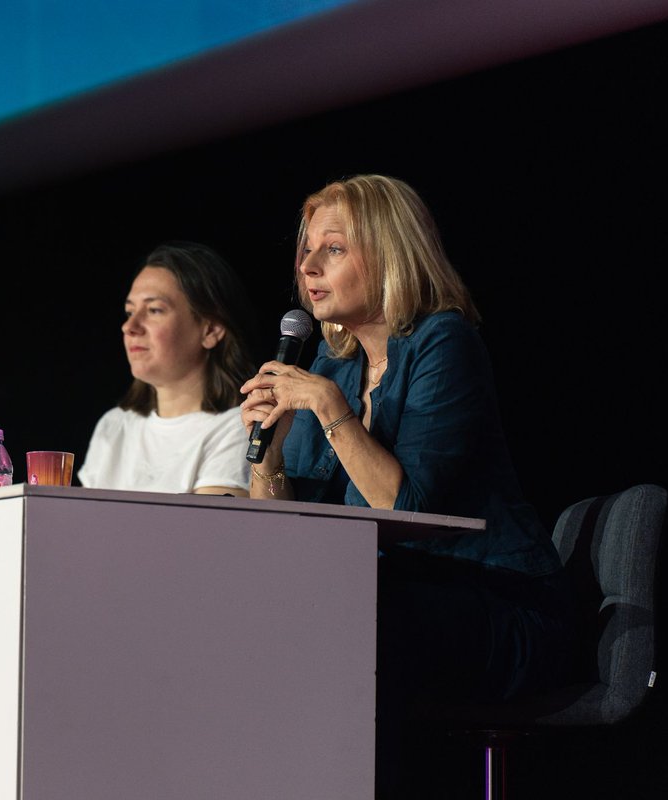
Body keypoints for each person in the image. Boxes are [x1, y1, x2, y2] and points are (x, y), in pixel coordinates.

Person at [239, 175, 573, 795]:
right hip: (398, 601)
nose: (308, 266)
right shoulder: (331, 363)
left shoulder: (444, 342)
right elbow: (285, 534)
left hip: (504, 604)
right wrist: (271, 454)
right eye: (305, 250)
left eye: (332, 249)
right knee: (262, 615)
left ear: (390, 254)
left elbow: (409, 506)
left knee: (345, 627)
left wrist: (330, 407)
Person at [77, 241, 259, 496]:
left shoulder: (238, 428)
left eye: (154, 310)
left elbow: (208, 533)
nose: (130, 327)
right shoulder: (114, 426)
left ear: (210, 330)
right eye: (130, 311)